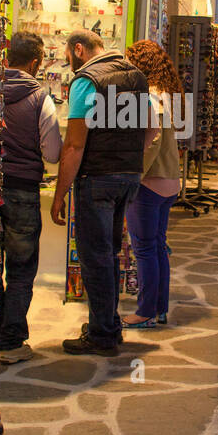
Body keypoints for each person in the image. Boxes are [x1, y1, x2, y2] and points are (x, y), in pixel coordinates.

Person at [51, 29, 157, 356]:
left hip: (96, 178)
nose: (69, 64)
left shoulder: (87, 81)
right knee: (108, 254)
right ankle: (108, 324)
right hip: (128, 177)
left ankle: (101, 335)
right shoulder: (136, 76)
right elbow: (151, 127)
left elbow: (75, 144)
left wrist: (59, 194)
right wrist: (128, 159)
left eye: (68, 58)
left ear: (79, 49)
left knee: (95, 258)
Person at [0, 32, 63, 364]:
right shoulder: (40, 99)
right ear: (35, 62)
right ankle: (11, 341)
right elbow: (53, 152)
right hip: (22, 191)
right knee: (21, 267)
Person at [120, 40, 181, 330]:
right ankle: (159, 308)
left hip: (150, 184)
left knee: (144, 249)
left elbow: (152, 140)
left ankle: (145, 311)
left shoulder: (151, 97)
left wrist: (134, 174)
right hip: (168, 181)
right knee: (157, 247)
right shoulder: (166, 94)